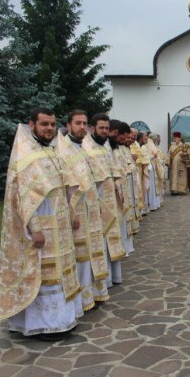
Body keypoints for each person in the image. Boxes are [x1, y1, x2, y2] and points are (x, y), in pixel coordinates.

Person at [0, 107, 82, 341]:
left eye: (53, 125)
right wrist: (35, 229)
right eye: (44, 124)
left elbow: (65, 184)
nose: (50, 129)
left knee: (59, 273)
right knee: (43, 275)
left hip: (59, 222)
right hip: (41, 226)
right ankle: (43, 325)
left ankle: (61, 320)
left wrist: (71, 211)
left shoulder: (51, 151)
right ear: (31, 125)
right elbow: (24, 197)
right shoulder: (25, 154)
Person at [56, 109, 110, 313]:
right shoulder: (63, 150)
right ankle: (80, 299)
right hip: (76, 211)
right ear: (69, 125)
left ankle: (92, 293)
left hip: (90, 208)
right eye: (77, 123)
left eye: (84, 123)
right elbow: (65, 184)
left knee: (90, 252)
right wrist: (71, 211)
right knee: (79, 256)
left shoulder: (82, 148)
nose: (82, 127)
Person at [82, 113, 126, 287]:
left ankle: (110, 277)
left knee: (109, 238)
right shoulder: (87, 147)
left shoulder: (104, 146)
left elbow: (111, 170)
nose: (104, 131)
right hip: (96, 201)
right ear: (92, 128)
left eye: (107, 128)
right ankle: (102, 281)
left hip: (109, 198)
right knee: (99, 240)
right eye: (101, 128)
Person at [109, 120, 135, 257]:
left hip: (121, 186)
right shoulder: (108, 148)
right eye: (123, 137)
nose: (125, 140)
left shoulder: (117, 148)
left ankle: (124, 246)